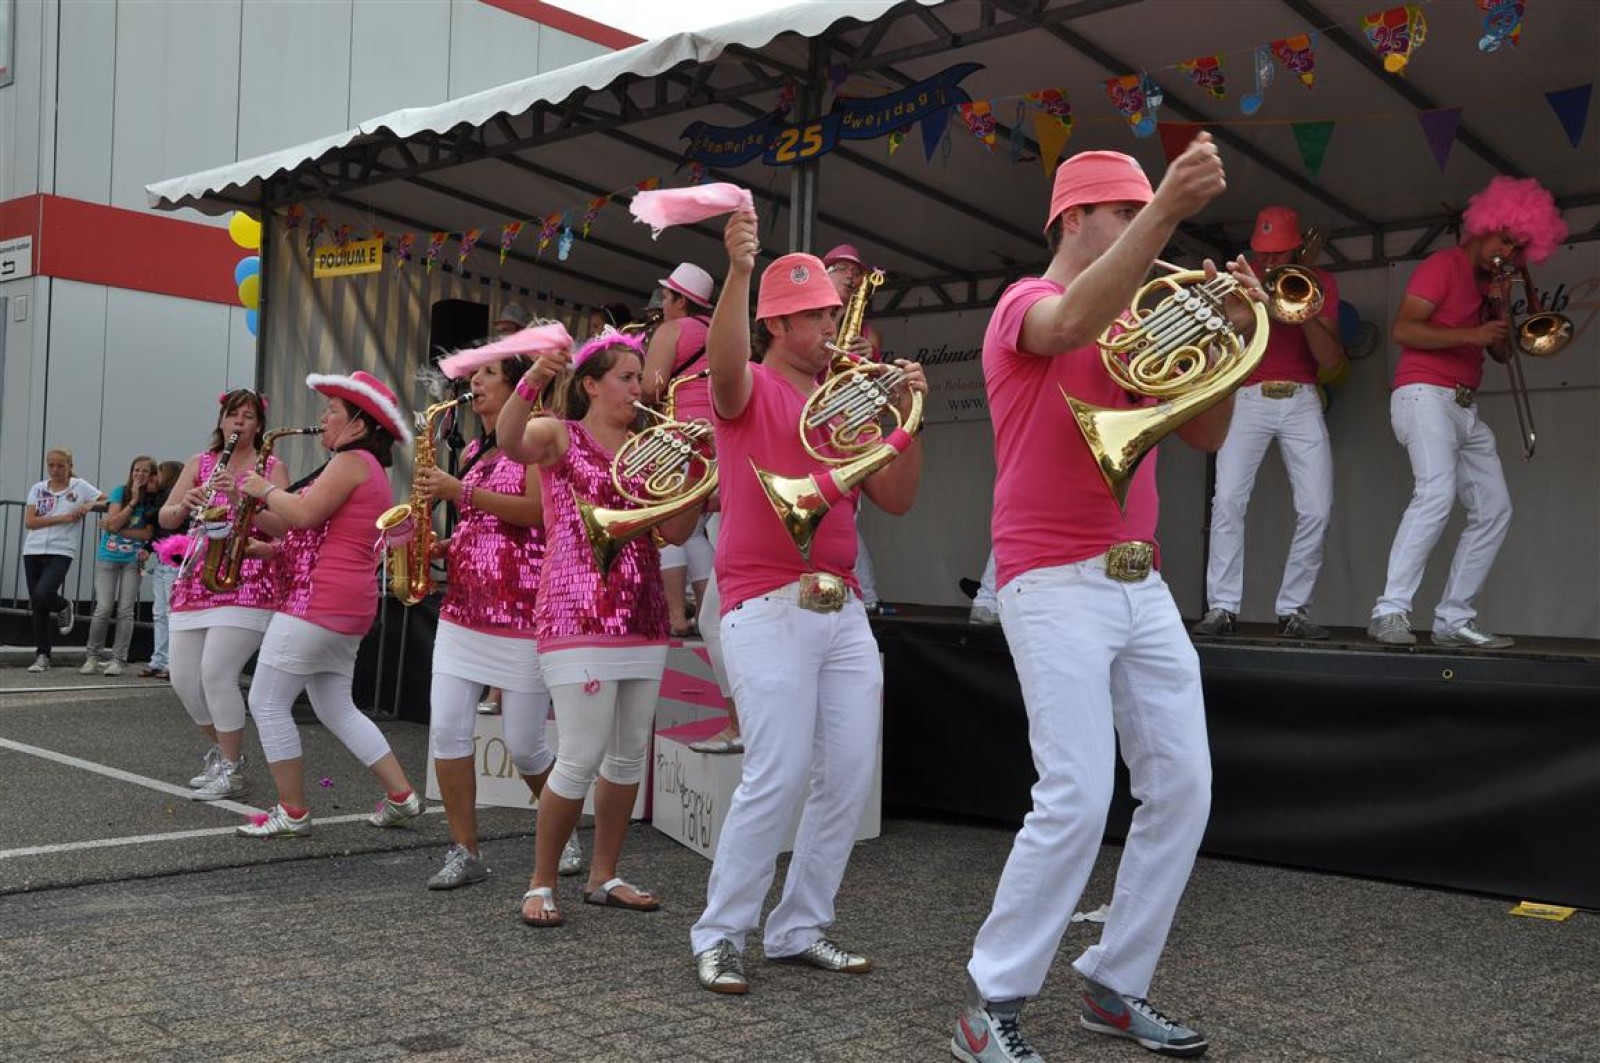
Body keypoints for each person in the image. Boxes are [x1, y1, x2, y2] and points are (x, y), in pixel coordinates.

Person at [952, 136, 1258, 1062]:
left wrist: (1229, 333)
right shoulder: (1024, 303)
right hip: (1050, 578)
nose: (1139, 229)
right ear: (1073, 217)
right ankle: (989, 1003)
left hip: (1140, 580)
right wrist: (1167, 210)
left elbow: (1206, 431)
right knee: (1078, 796)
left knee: (1186, 787)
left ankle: (1115, 981)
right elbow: (1067, 325)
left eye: (1141, 212)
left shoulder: (1133, 327)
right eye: (1123, 213)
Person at [689, 218, 925, 995]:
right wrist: (737, 271)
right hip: (764, 599)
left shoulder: (842, 399)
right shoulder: (752, 386)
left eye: (832, 312)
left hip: (840, 603)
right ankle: (721, 934)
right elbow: (725, 366)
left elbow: (896, 496)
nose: (832, 324)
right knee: (778, 772)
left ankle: (798, 927)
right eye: (818, 315)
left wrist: (905, 415)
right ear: (778, 324)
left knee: (848, 775)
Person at [499, 331, 701, 926]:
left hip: (643, 613)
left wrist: (692, 468)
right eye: (626, 378)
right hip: (576, 611)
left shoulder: (648, 447)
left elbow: (678, 532)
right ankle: (540, 881)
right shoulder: (560, 435)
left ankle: (603, 875)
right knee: (579, 755)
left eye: (640, 378)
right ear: (590, 384)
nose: (639, 388)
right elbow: (510, 440)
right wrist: (536, 377)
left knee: (628, 755)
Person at [1367, 177, 1565, 650]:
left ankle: (1454, 619)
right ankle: (1389, 611)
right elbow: (1403, 330)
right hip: (1422, 393)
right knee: (1435, 494)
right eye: (1505, 240)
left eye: (1517, 248)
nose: (1508, 253)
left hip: (1462, 403)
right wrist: (1471, 335)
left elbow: (1504, 356)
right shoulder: (1444, 265)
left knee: (1495, 508)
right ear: (1483, 226)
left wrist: (1497, 312)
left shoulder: (1489, 286)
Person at [233, 371, 424, 837]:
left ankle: (293, 811)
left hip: (318, 600)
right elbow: (295, 525)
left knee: (266, 701)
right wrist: (253, 507)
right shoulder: (364, 466)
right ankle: (402, 796)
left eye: (332, 410)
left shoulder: (350, 461)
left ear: (359, 424)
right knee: (336, 706)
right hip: (345, 603)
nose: (323, 418)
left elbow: (303, 513)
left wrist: (263, 490)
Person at [415, 353, 579, 889]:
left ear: (516, 386)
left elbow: (536, 512)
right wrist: (448, 543)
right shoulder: (471, 449)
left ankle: (565, 832)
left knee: (524, 743)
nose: (474, 381)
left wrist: (457, 491)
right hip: (463, 609)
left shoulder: (534, 437)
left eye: (487, 374)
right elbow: (483, 518)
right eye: (474, 375)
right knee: (447, 729)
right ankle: (464, 850)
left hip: (521, 611)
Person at [1193, 206, 1347, 640]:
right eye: (1264, 253)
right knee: (1227, 501)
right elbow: (1221, 341)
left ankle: (1294, 610)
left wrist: (1302, 309)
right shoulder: (1241, 279)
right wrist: (1254, 303)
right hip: (1247, 397)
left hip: (1302, 398)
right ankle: (1222, 607)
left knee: (1316, 508)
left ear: (1296, 248)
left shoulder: (1320, 282)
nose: (1270, 261)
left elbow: (1331, 360)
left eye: (1279, 253)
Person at [159, 391, 291, 800]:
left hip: (247, 577)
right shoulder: (200, 462)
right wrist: (184, 504)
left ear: (258, 425)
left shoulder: (271, 466)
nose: (239, 423)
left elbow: (286, 526)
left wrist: (239, 499)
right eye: (233, 415)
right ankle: (225, 753)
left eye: (248, 417)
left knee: (216, 673)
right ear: (222, 420)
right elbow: (165, 517)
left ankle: (231, 769)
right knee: (184, 680)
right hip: (198, 574)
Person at [642, 262, 718, 637]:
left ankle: (675, 616)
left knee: (666, 527)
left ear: (680, 301)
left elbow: (649, 388)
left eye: (667, 297)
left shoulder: (671, 330)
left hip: (678, 437)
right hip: (715, 441)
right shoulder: (720, 331)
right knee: (696, 531)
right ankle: (707, 615)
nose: (662, 304)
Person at [823, 244, 886, 613]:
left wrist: (867, 353)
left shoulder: (866, 330)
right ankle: (863, 594)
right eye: (843, 269)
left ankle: (862, 594)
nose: (851, 276)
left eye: (856, 272)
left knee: (845, 512)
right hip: (818, 422)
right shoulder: (812, 318)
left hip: (849, 425)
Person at [22, 449, 103, 672]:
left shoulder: (80, 486)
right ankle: (42, 655)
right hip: (33, 549)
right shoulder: (38, 488)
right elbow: (30, 521)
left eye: (60, 466)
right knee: (38, 604)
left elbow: (108, 501)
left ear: (69, 466)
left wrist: (89, 505)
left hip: (61, 550)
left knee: (43, 593)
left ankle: (63, 605)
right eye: (51, 465)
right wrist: (62, 518)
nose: (55, 470)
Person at [81, 456, 158, 676]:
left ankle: (118, 659)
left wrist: (119, 530)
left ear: (152, 475)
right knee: (103, 608)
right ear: (131, 472)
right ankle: (92, 656)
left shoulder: (152, 499)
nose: (140, 474)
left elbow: (147, 534)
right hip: (109, 556)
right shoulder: (119, 492)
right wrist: (132, 502)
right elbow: (112, 521)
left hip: (133, 559)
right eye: (136, 470)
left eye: (145, 471)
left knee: (126, 610)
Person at [141, 460, 186, 679]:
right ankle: (159, 660)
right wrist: (149, 548)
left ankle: (168, 662)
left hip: (172, 560)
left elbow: (152, 517)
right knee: (161, 613)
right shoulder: (167, 497)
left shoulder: (169, 497)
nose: (154, 478)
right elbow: (160, 530)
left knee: (166, 612)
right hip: (164, 559)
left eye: (158, 473)